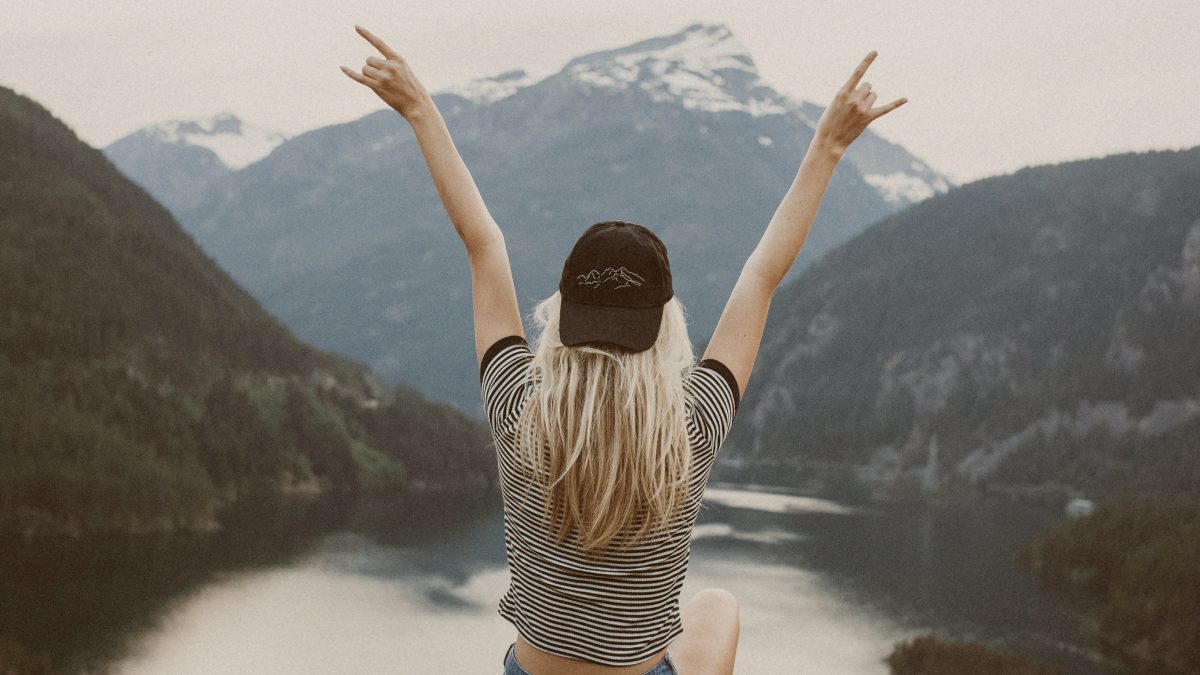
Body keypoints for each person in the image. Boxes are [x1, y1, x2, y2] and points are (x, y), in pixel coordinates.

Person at [342, 25, 905, 675]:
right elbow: (761, 273)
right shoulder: (690, 428)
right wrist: (829, 146)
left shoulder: (517, 407)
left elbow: (483, 242)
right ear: (665, 326)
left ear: (563, 317)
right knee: (716, 607)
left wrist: (419, 110)